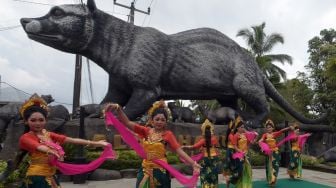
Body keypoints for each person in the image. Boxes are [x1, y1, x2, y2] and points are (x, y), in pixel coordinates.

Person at [18, 94, 109, 188]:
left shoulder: (48, 134)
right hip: (36, 177)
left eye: (41, 120)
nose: (38, 123)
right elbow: (38, 146)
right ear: (26, 121)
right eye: (33, 120)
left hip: (51, 176)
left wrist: (96, 143)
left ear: (46, 121)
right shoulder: (26, 137)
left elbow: (71, 140)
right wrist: (51, 151)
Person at [104, 100, 201, 188]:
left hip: (160, 172)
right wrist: (118, 108)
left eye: (163, 120)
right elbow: (128, 122)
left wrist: (193, 163)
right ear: (152, 120)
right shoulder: (146, 131)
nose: (160, 122)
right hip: (145, 170)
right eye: (157, 119)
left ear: (166, 122)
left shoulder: (168, 134)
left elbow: (179, 150)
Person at [182, 119, 220, 188]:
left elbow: (193, 147)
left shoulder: (203, 140)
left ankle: (205, 186)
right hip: (214, 158)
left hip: (206, 159)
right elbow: (216, 148)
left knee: (205, 174)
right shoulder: (214, 139)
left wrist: (184, 146)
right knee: (213, 174)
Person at [258, 119, 293, 186]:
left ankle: (274, 179)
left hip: (275, 152)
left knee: (275, 165)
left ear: (272, 128)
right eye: (267, 127)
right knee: (269, 166)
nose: (268, 129)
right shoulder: (265, 135)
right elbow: (261, 140)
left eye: (270, 127)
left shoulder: (274, 134)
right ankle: (270, 179)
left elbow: (282, 130)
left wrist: (289, 128)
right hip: (268, 153)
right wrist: (260, 142)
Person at [227, 117, 256, 188]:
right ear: (237, 128)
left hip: (246, 154)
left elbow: (250, 143)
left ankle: (244, 185)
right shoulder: (236, 135)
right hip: (239, 155)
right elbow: (234, 146)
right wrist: (240, 151)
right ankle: (229, 179)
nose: (243, 128)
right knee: (240, 171)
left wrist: (255, 138)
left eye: (243, 127)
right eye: (241, 127)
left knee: (247, 171)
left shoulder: (245, 135)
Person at [222, 116, 239, 186]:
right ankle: (228, 181)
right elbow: (234, 142)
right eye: (233, 128)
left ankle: (229, 181)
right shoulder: (231, 135)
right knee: (230, 166)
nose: (234, 129)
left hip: (233, 151)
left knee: (233, 167)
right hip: (231, 151)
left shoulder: (234, 135)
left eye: (235, 128)